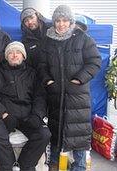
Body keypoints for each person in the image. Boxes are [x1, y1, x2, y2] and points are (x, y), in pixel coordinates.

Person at [38, 5, 101, 171]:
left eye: (64, 20)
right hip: (55, 94)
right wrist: (48, 81)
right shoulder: (47, 40)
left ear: (71, 21)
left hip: (77, 95)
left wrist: (79, 80)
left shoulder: (83, 38)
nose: (61, 24)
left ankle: (79, 165)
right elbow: (41, 65)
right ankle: (55, 162)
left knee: (78, 131)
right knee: (56, 129)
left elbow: (94, 62)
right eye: (57, 20)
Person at [0, 41, 51, 171]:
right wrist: (4, 114)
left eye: (18, 52)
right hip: (4, 115)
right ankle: (8, 166)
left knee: (44, 134)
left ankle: (25, 165)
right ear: (6, 56)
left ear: (23, 56)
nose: (14, 55)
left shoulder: (33, 74)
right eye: (11, 53)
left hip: (28, 115)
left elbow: (40, 97)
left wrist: (36, 115)